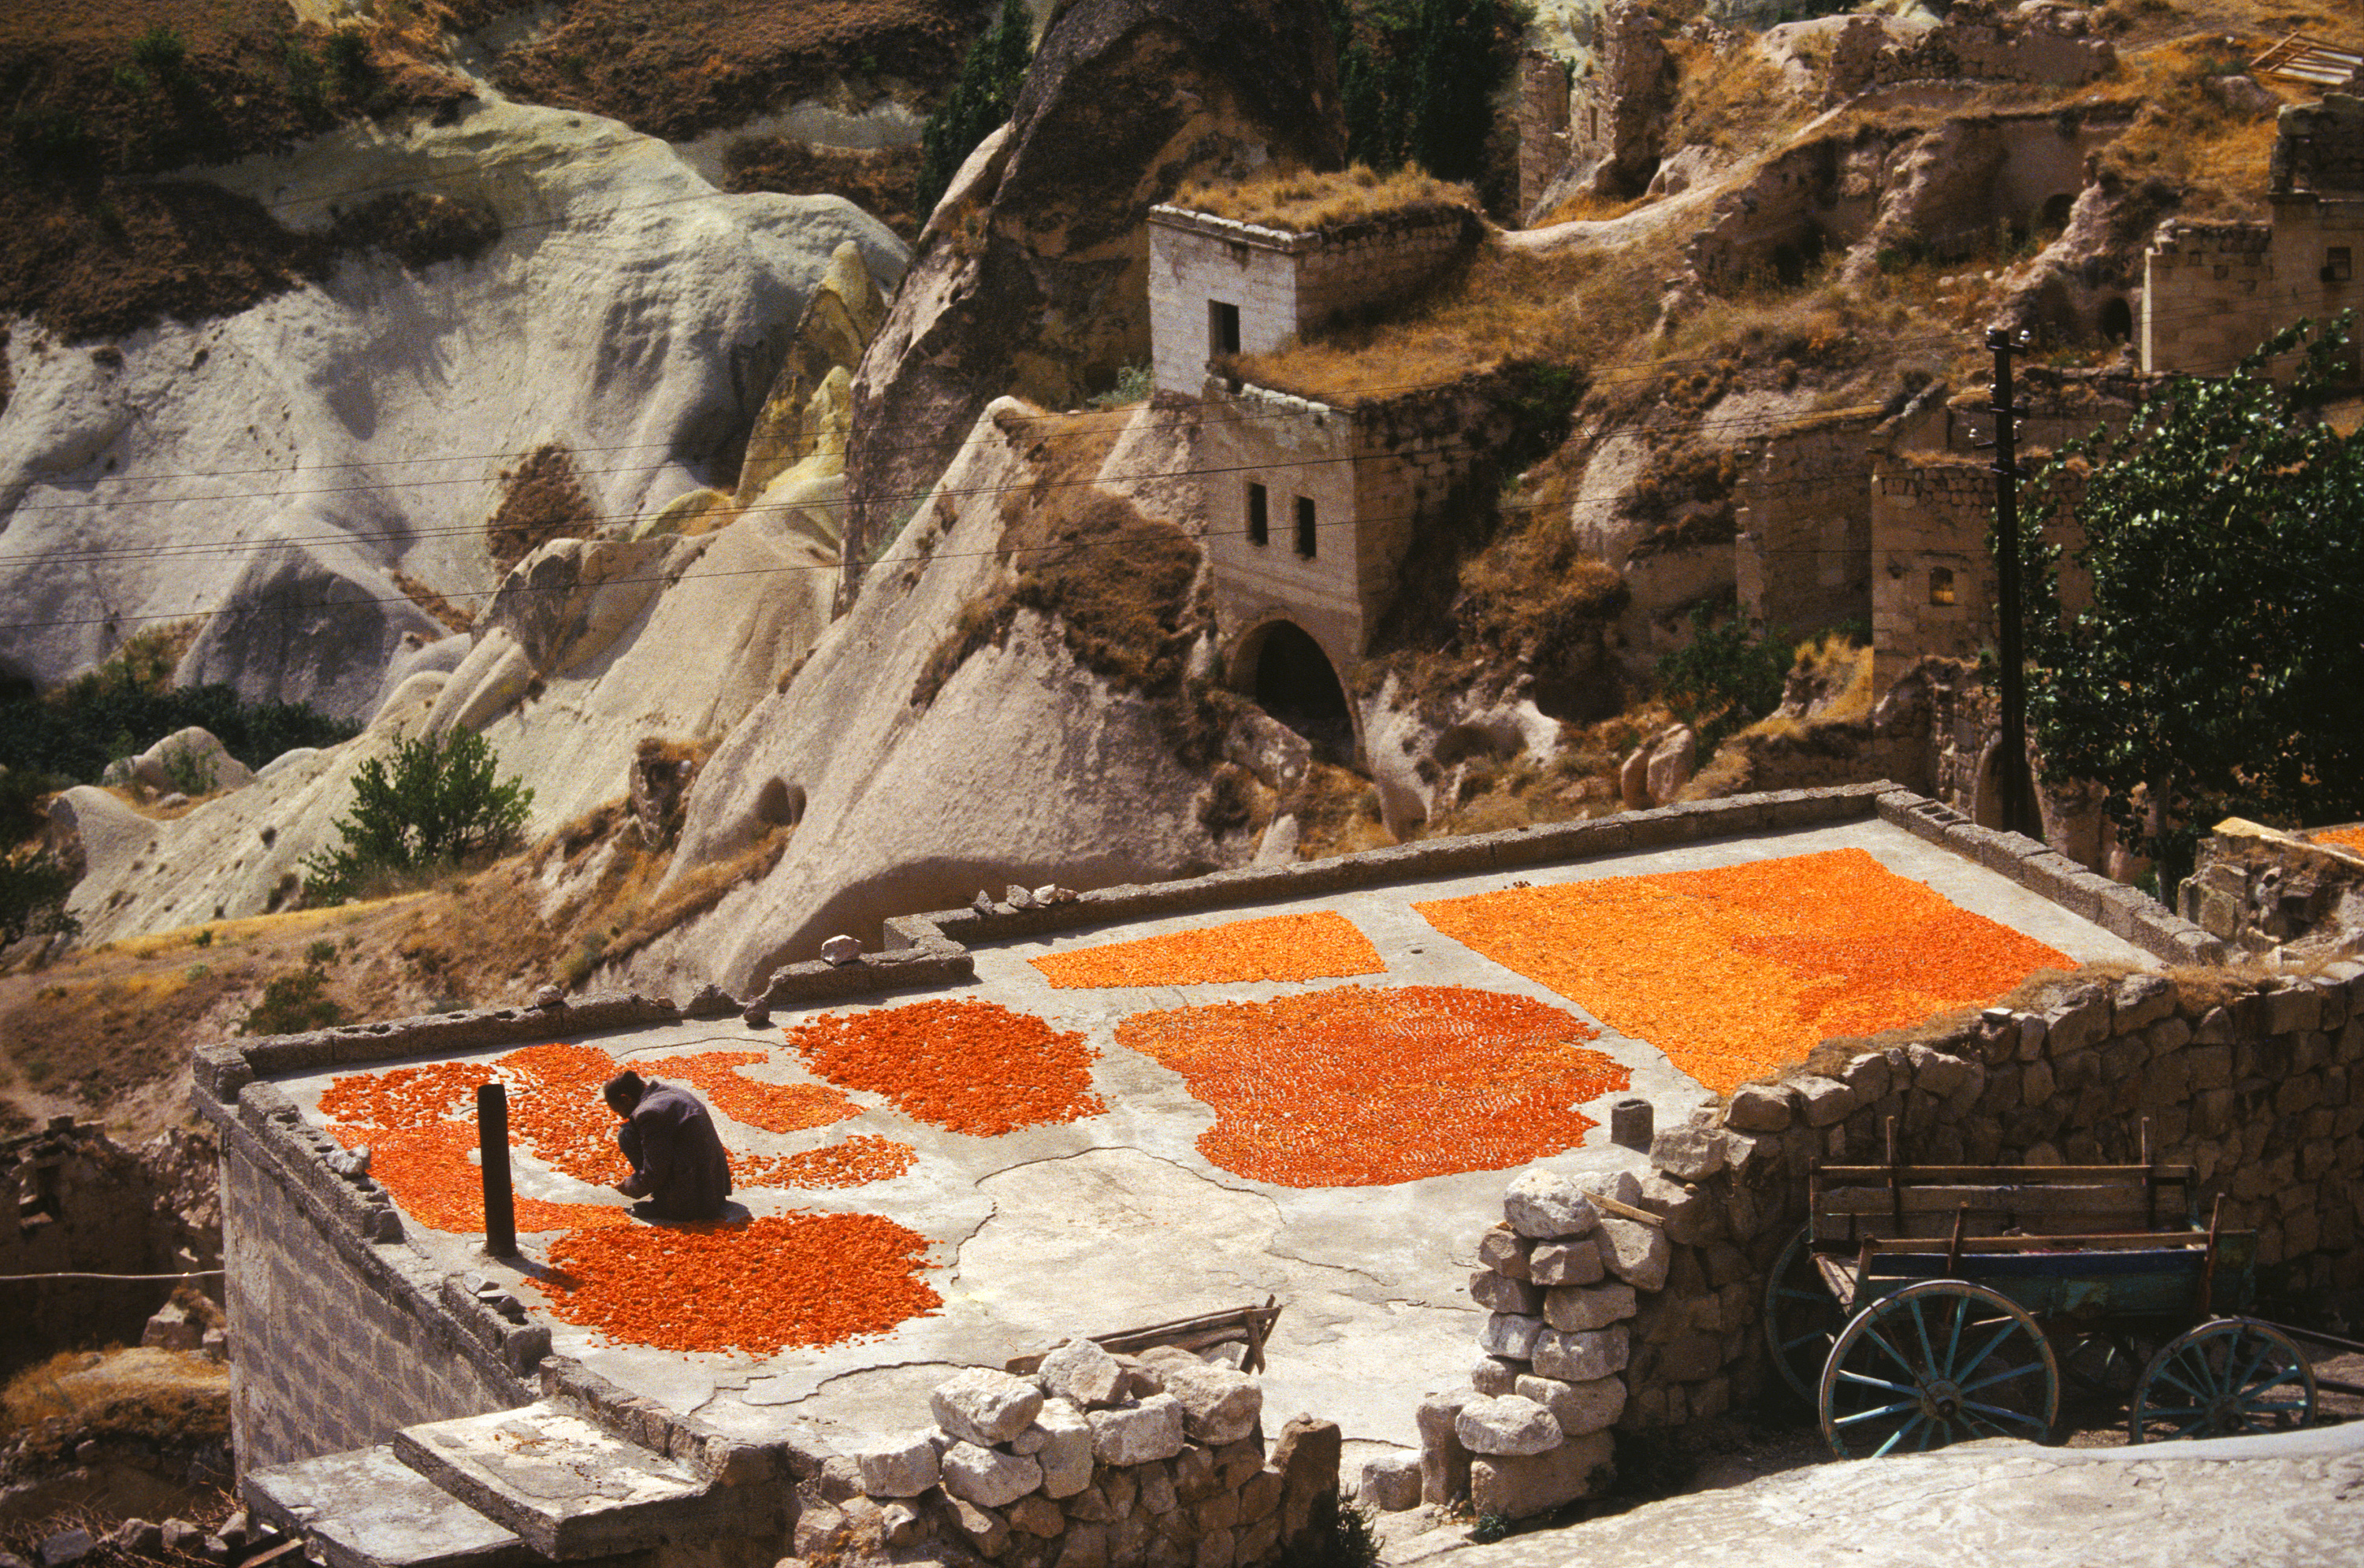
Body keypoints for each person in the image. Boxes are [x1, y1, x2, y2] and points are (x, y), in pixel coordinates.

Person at [602, 1069, 732, 1221]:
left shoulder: (649, 1113)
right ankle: (680, 1196)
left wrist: (631, 1186)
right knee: (632, 1130)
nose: (622, 1116)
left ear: (626, 1099)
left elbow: (656, 1168)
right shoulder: (669, 1091)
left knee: (626, 1135)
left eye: (618, 1110)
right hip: (715, 1190)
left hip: (695, 1204)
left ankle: (669, 1203)